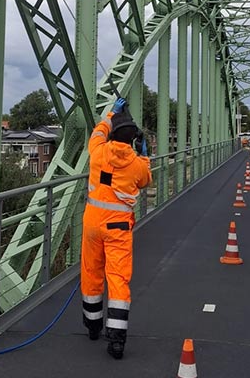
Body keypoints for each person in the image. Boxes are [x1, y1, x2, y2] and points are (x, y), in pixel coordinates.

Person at [80, 97, 151, 360]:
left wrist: (111, 114)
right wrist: (144, 153)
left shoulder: (98, 152)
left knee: (91, 273)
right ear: (132, 140)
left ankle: (92, 326)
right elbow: (145, 180)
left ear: (113, 136)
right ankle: (117, 339)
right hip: (118, 229)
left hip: (91, 224)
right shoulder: (135, 165)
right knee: (118, 280)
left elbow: (98, 131)